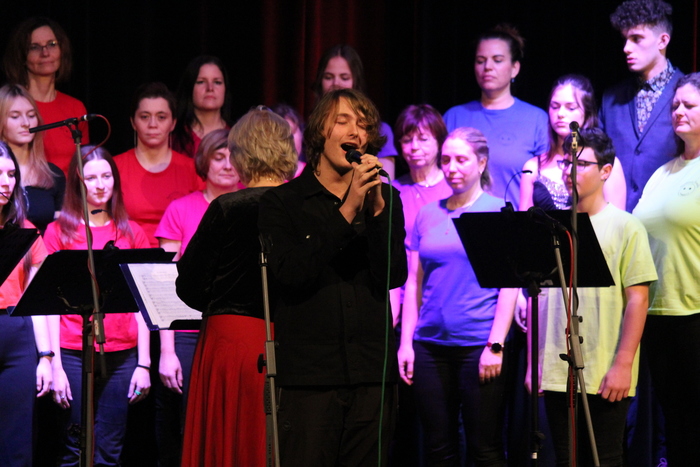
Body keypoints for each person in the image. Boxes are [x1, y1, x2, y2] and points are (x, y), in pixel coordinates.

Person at [258, 88, 407, 466]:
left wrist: (376, 211)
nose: (356, 132)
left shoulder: (386, 200)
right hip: (309, 380)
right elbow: (291, 274)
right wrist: (348, 209)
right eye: (343, 121)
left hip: (372, 375)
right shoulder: (283, 203)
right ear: (319, 132)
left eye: (364, 125)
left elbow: (392, 275)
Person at [176, 107, 297, 467]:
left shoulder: (227, 208)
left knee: (228, 440)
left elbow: (190, 287)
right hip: (292, 339)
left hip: (231, 343)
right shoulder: (305, 208)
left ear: (240, 154)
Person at [533, 128, 656, 466]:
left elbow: (638, 300)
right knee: (565, 458)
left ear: (605, 171)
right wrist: (537, 365)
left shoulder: (626, 226)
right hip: (557, 371)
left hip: (604, 370)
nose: (570, 170)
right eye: (566, 162)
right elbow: (542, 299)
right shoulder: (551, 227)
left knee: (604, 458)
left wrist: (623, 364)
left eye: (581, 163)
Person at [397, 127, 517, 466]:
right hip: (430, 346)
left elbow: (509, 286)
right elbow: (414, 283)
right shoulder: (427, 214)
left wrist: (496, 345)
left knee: (484, 449)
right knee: (438, 449)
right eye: (446, 160)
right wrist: (407, 343)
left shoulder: (498, 211)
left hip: (478, 345)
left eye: (461, 160)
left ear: (481, 163)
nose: (452, 167)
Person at [44, 146, 151, 466]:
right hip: (73, 351)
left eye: (106, 176)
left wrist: (144, 363)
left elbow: (143, 304)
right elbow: (50, 306)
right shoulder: (58, 231)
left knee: (109, 450)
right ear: (77, 182)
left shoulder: (132, 232)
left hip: (122, 353)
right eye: (91, 178)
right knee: (73, 448)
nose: (100, 185)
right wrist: (55, 365)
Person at [153, 128, 240, 466]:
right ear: (204, 162)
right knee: (188, 424)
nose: (227, 164)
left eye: (233, 156)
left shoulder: (252, 205)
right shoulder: (181, 209)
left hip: (235, 327)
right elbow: (165, 284)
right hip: (188, 332)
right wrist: (168, 351)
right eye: (219, 157)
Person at [633, 72, 700, 465]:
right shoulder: (662, 173)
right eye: (675, 105)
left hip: (695, 313)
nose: (678, 111)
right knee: (674, 424)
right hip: (657, 315)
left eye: (689, 104)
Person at [443, 24, 549, 210]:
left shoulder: (536, 120)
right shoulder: (454, 117)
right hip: (458, 222)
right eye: (480, 61)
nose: (488, 67)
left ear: (515, 68)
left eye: (497, 60)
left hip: (515, 223)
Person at [601, 0, 683, 212]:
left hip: (670, 217)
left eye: (636, 39)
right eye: (625, 39)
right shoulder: (611, 99)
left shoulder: (689, 94)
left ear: (662, 41)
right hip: (618, 219)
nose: (626, 48)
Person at [0, 141, 51, 467]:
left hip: (17, 334)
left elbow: (37, 300)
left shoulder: (25, 230)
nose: (6, 182)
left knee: (17, 442)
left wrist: (45, 356)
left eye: (11, 175)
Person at [115, 82, 203, 247]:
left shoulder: (192, 169)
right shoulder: (114, 168)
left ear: (173, 123)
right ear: (133, 122)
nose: (153, 124)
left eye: (161, 117)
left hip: (180, 258)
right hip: (128, 256)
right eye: (145, 117)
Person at [520, 75, 626, 211]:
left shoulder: (607, 164)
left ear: (587, 112)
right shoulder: (533, 166)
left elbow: (616, 219)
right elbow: (524, 219)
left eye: (571, 108)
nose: (560, 114)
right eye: (555, 107)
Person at [389, 104, 451, 324]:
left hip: (442, 300)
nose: (414, 147)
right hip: (402, 300)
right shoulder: (393, 192)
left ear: (439, 142)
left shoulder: (454, 189)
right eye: (407, 140)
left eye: (423, 139)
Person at [3, 17, 89, 175]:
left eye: (52, 44)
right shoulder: (8, 104)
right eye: (34, 47)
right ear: (22, 56)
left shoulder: (75, 107)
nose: (45, 53)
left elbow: (83, 165)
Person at [312, 44, 399, 178]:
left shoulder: (380, 130)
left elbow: (385, 183)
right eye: (328, 77)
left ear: (356, 81)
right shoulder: (309, 128)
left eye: (344, 78)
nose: (336, 83)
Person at [0, 84, 65, 233]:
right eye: (15, 116)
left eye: (31, 115)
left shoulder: (53, 174)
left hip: (42, 247)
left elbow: (60, 232)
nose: (26, 123)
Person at [172, 56, 233, 158]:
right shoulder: (174, 138)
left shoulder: (238, 136)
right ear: (190, 88)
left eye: (217, 82)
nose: (210, 88)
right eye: (201, 82)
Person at [271, 103, 306, 177]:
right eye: (282, 135)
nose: (289, 140)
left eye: (292, 132)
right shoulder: (259, 178)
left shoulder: (315, 175)